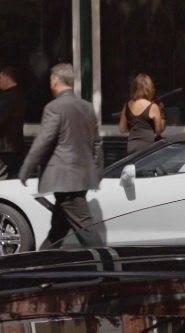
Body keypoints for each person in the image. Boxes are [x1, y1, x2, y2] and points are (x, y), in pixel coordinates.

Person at [18, 63, 103, 250]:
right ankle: (42, 265)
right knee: (58, 229)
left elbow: (43, 141)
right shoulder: (87, 107)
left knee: (85, 229)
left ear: (55, 80)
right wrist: (97, 172)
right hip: (80, 177)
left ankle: (107, 268)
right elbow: (96, 143)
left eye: (50, 80)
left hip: (65, 179)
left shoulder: (54, 107)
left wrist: (26, 169)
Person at [118, 73, 164, 155]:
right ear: (148, 89)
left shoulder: (127, 105)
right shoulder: (153, 107)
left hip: (132, 145)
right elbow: (158, 131)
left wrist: (135, 127)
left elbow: (122, 129)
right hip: (148, 146)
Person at [0, 67, 26, 180]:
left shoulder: (9, 97)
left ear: (6, 77)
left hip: (5, 147)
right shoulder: (19, 95)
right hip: (15, 145)